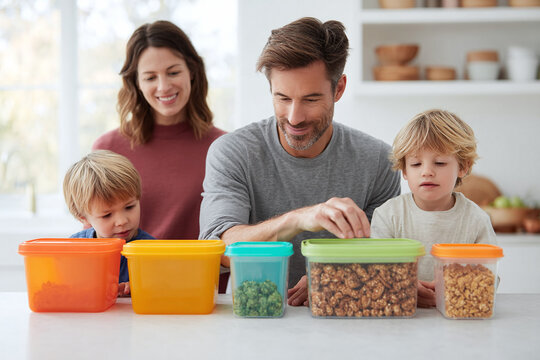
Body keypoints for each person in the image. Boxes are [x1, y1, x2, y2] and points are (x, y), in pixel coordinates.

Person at [199, 17, 401, 306]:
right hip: (256, 319)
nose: (294, 118)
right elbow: (216, 249)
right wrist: (298, 219)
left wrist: (332, 277)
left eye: (310, 99)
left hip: (348, 322)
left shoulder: (379, 162)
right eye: (282, 98)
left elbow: (384, 261)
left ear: (339, 89)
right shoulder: (233, 152)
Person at [93, 20, 225, 241]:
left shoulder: (223, 148)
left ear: (191, 71)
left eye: (173, 72)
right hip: (129, 276)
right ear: (136, 83)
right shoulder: (107, 149)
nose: (163, 87)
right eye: (150, 77)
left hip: (199, 275)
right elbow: (97, 237)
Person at [370, 109, 498, 308]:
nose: (427, 172)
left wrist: (456, 287)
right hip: (403, 317)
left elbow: (489, 277)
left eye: (439, 163)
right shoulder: (388, 216)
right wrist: (407, 287)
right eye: (415, 163)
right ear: (404, 170)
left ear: (463, 167)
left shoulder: (476, 219)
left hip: (457, 314)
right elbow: (376, 273)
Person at [63, 150, 155, 296]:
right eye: (107, 215)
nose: (122, 221)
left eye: (129, 207)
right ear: (83, 218)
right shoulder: (73, 250)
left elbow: (164, 291)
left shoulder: (152, 251)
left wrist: (141, 288)